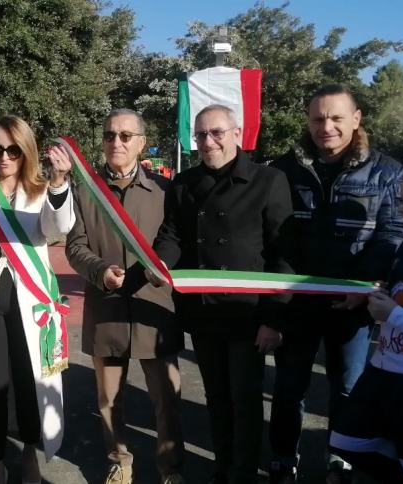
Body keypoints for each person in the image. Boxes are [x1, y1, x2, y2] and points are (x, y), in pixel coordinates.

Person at [268, 84, 403, 484]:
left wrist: (364, 287)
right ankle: (282, 460)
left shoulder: (388, 173)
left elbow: (391, 236)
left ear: (357, 119)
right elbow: (278, 235)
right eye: (317, 118)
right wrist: (284, 289)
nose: (325, 126)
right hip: (299, 302)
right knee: (288, 388)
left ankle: (339, 460)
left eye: (335, 118)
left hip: (353, 305)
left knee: (347, 389)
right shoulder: (285, 169)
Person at [153, 105, 294, 484]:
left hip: (249, 315)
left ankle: (242, 474)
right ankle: (222, 468)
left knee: (245, 402)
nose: (208, 141)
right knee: (216, 399)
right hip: (203, 313)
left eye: (216, 132)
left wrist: (273, 318)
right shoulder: (184, 182)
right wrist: (152, 268)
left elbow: (284, 253)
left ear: (237, 132)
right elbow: (172, 236)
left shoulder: (269, 180)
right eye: (200, 135)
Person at [0, 115, 74, 484]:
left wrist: (58, 183)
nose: (4, 157)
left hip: (32, 303)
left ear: (26, 152)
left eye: (13, 150)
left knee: (29, 381)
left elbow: (58, 228)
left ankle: (31, 453)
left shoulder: (40, 192)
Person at [66, 108, 184, 484]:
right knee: (108, 400)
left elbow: (174, 243)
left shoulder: (164, 191)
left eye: (125, 136)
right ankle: (120, 461)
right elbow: (75, 246)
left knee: (166, 399)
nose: (116, 142)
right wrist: (100, 271)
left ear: (141, 143)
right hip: (108, 309)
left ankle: (170, 467)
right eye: (109, 135)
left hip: (155, 309)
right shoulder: (85, 192)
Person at [328, 161, 403, 484]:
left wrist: (393, 315)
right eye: (401, 199)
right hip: (383, 372)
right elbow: (401, 294)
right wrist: (370, 295)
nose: (402, 208)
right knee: (345, 440)